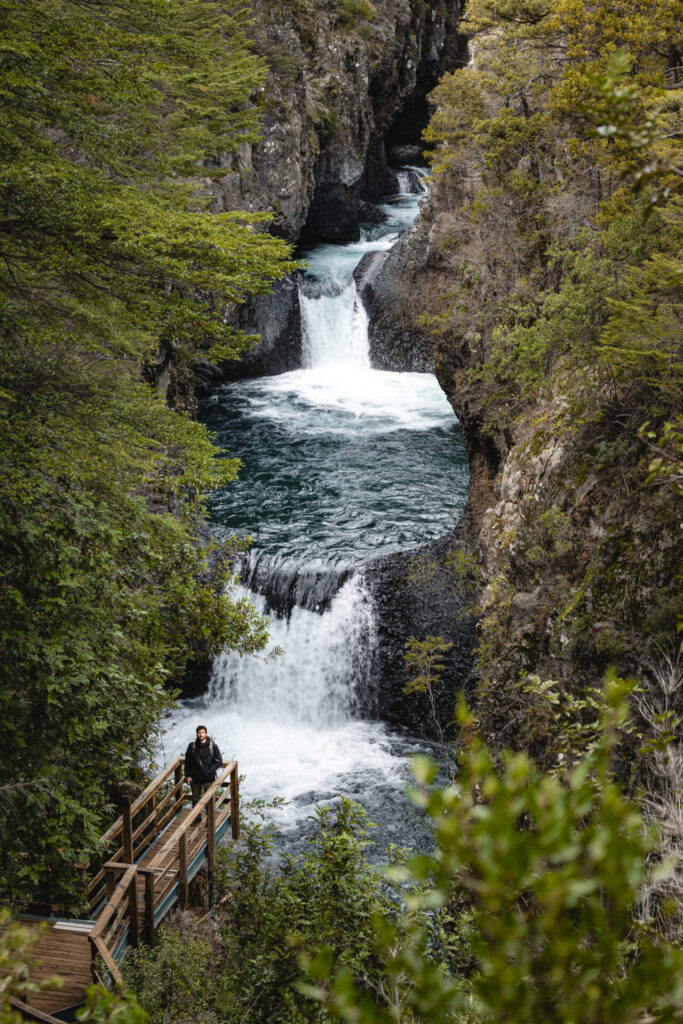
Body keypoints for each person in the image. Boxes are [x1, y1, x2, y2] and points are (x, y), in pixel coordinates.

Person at [184, 725, 222, 806]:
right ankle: (196, 818)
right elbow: (187, 762)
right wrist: (187, 776)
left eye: (202, 732)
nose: (201, 734)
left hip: (208, 778)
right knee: (195, 799)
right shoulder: (192, 746)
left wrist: (210, 770)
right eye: (199, 732)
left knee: (210, 800)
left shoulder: (212, 746)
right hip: (195, 778)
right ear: (196, 734)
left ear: (206, 734)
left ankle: (210, 818)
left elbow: (219, 761)